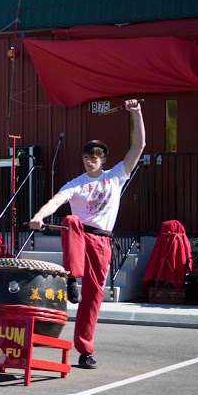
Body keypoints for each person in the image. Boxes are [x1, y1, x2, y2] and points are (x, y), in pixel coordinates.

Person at [29, 99, 145, 369]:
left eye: (94, 158)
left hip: (103, 241)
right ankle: (72, 278)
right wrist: (39, 216)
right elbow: (57, 200)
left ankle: (85, 350)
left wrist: (136, 113)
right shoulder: (76, 184)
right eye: (85, 158)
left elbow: (138, 146)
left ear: (102, 160)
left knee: (93, 298)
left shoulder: (115, 176)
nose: (89, 161)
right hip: (79, 237)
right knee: (70, 219)